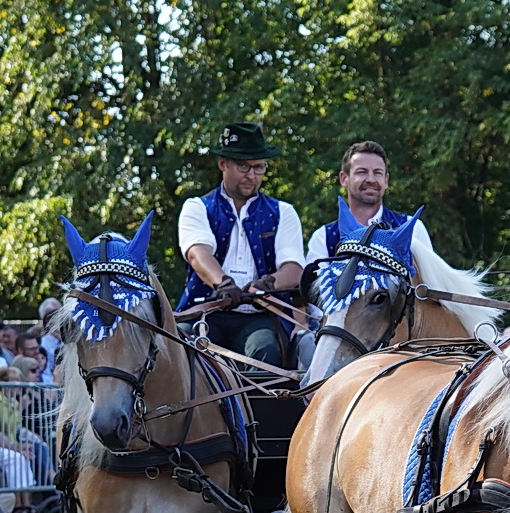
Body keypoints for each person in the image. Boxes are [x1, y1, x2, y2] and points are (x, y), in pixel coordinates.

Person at [176, 121, 304, 369]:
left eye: (259, 167)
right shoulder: (197, 207)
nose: (251, 175)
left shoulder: (283, 212)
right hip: (205, 312)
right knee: (183, 346)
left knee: (266, 349)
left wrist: (266, 285)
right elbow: (197, 254)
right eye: (243, 166)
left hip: (260, 317)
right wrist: (224, 284)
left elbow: (294, 268)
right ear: (223, 164)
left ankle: (262, 398)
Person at [303, 140, 432, 266]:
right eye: (361, 172)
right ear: (344, 178)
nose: (371, 179)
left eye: (378, 173)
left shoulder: (413, 229)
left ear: (386, 180)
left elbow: (430, 278)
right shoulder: (324, 238)